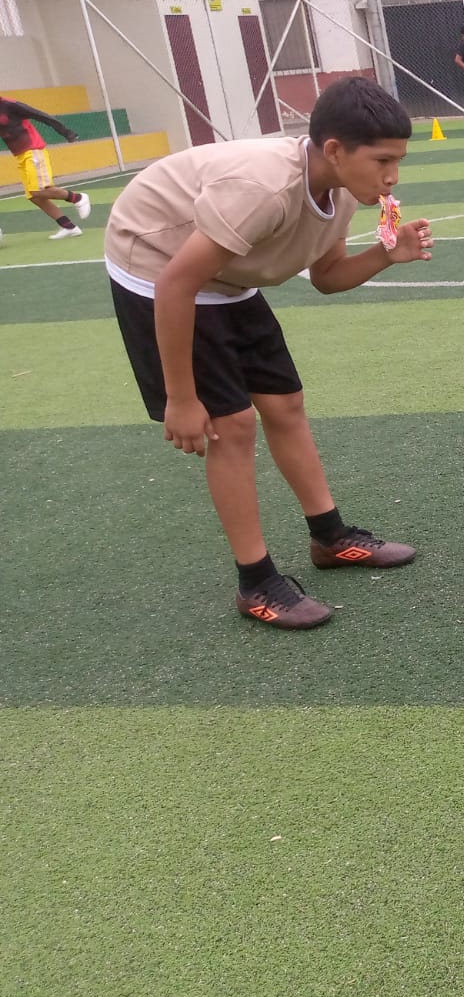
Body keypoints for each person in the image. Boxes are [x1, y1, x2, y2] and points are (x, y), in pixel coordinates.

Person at [104, 77, 435, 630]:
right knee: (231, 425)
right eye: (382, 160)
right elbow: (175, 284)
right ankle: (255, 581)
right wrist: (181, 397)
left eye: (397, 161)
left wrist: (385, 255)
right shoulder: (263, 190)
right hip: (157, 262)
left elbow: (327, 276)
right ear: (336, 150)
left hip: (229, 272)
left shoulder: (340, 194)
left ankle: (330, 537)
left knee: (285, 404)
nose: (392, 176)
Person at [0, 94, 91, 239]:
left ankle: (78, 198)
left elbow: (40, 115)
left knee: (39, 190)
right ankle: (69, 227)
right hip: (20, 155)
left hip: (33, 150)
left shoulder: (9, 105)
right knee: (34, 196)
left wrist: (65, 131)